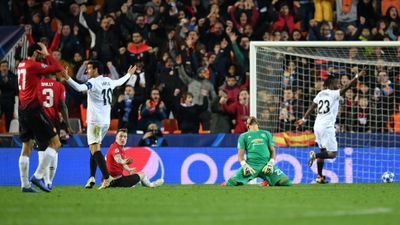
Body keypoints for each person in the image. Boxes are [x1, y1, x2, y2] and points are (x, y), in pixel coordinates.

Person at [61, 60, 136, 189]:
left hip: (95, 123)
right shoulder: (108, 81)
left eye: (89, 68)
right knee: (94, 149)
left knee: (95, 149)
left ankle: (107, 178)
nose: (87, 71)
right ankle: (92, 177)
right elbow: (119, 82)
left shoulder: (93, 82)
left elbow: (79, 88)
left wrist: (67, 78)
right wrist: (128, 75)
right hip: (105, 122)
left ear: (96, 70)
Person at [295, 69, 366, 183]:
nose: (338, 84)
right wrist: (357, 76)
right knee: (332, 154)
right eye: (336, 83)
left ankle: (319, 176)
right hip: (327, 127)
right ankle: (314, 155)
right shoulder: (334, 94)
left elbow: (312, 107)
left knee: (323, 151)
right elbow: (348, 86)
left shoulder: (320, 93)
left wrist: (303, 119)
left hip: (317, 126)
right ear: (331, 84)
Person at [17, 43, 64, 192]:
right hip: (34, 109)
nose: (44, 55)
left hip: (22, 109)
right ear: (37, 52)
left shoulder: (22, 65)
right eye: (41, 52)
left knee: (27, 147)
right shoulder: (33, 65)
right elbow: (58, 68)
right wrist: (48, 54)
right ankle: (38, 176)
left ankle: (25, 185)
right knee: (56, 143)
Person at [224, 116, 292, 187]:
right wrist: (244, 165)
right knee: (231, 183)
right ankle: (230, 181)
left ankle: (268, 182)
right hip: (251, 166)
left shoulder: (266, 134)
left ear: (257, 123)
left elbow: (273, 151)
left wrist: (270, 164)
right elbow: (240, 155)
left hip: (266, 166)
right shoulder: (243, 136)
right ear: (247, 125)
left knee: (286, 182)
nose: (251, 117)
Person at [37, 70, 74, 190]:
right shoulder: (59, 86)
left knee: (42, 149)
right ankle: (49, 181)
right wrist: (68, 125)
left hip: (38, 120)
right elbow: (62, 105)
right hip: (53, 121)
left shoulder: (36, 84)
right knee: (54, 147)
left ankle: (42, 178)